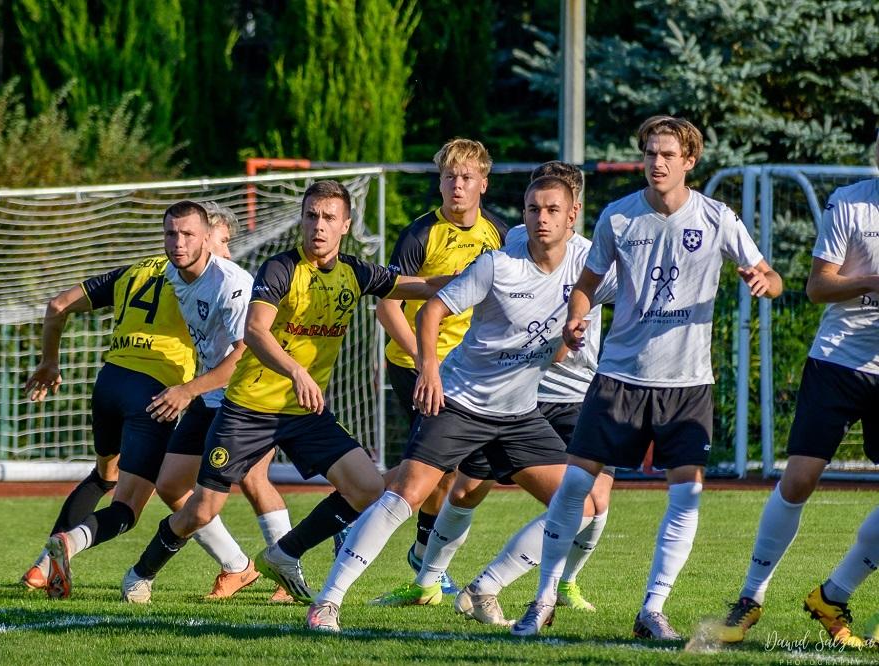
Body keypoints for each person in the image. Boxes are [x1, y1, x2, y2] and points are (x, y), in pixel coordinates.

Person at [510, 115, 782, 641]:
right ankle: (542, 599)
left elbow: (771, 276)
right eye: (650, 154)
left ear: (689, 161)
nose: (656, 163)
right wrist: (576, 317)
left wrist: (761, 281)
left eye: (667, 155)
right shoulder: (618, 218)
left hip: (687, 383)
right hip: (620, 378)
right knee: (575, 485)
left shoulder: (717, 218)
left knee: (685, 497)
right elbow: (585, 286)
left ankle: (652, 609)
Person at [120, 180, 451, 606]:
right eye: (311, 215)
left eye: (329, 217)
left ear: (346, 225)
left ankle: (285, 551)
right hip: (249, 409)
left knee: (367, 487)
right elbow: (255, 332)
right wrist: (296, 370)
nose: (319, 225)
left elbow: (421, 286)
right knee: (202, 510)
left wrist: (482, 276)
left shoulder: (355, 272)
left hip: (302, 412)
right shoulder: (280, 269)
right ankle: (140, 573)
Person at [307, 175, 610, 633]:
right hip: (462, 402)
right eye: (532, 209)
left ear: (572, 216)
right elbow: (432, 311)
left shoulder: (585, 270)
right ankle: (327, 602)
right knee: (408, 492)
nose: (540, 219)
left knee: (582, 505)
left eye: (551, 210)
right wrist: (428, 368)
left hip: (518, 413)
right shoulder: (498, 265)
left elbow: (626, 299)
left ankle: (483, 588)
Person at [34, 201, 286, 600]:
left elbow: (242, 354)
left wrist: (50, 361)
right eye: (174, 234)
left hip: (193, 389)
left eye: (196, 237)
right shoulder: (177, 275)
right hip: (177, 392)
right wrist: (190, 388)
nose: (224, 249)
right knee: (153, 495)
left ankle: (273, 570)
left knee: (118, 478)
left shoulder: (218, 280)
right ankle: (249, 567)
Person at [716, 135, 879, 648]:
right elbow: (817, 287)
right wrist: (873, 281)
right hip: (839, 361)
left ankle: (832, 595)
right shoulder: (850, 202)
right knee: (801, 480)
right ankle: (750, 598)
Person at [372, 138, 509, 594]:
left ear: (483, 184)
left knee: (447, 469)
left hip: (465, 369)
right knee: (434, 465)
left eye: (467, 177)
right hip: (414, 363)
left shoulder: (500, 234)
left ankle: (355, 507)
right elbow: (386, 308)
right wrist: (423, 360)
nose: (456, 184)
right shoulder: (419, 234)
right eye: (449, 176)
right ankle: (407, 547)